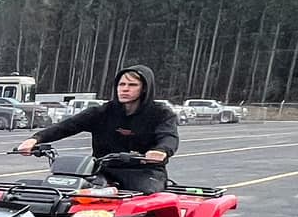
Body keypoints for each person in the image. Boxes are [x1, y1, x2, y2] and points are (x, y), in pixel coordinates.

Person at [17, 67, 178, 191]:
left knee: (142, 195)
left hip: (145, 172)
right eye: (121, 84)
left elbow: (169, 137)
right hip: (103, 169)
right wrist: (35, 139)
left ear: (144, 88)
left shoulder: (161, 113)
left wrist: (161, 151)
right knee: (71, 191)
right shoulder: (103, 112)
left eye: (132, 85)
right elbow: (67, 126)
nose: (125, 89)